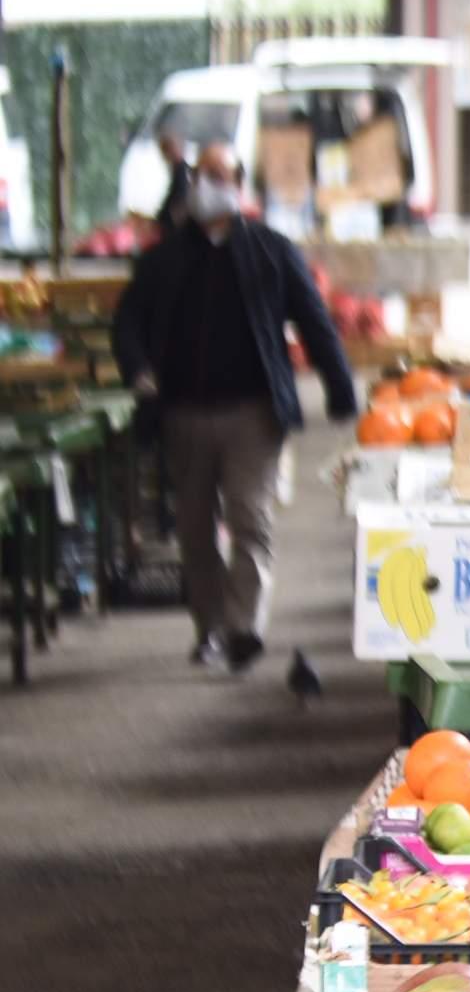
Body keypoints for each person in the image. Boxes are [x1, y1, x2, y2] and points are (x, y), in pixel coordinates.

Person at [115, 142, 357, 672]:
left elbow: (314, 320)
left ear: (240, 186)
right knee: (195, 530)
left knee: (251, 517)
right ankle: (210, 629)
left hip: (254, 415)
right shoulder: (164, 259)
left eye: (220, 175)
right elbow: (128, 322)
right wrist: (138, 371)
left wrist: (341, 388)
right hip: (183, 414)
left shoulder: (271, 249)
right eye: (201, 174)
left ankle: (243, 627)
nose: (208, 184)